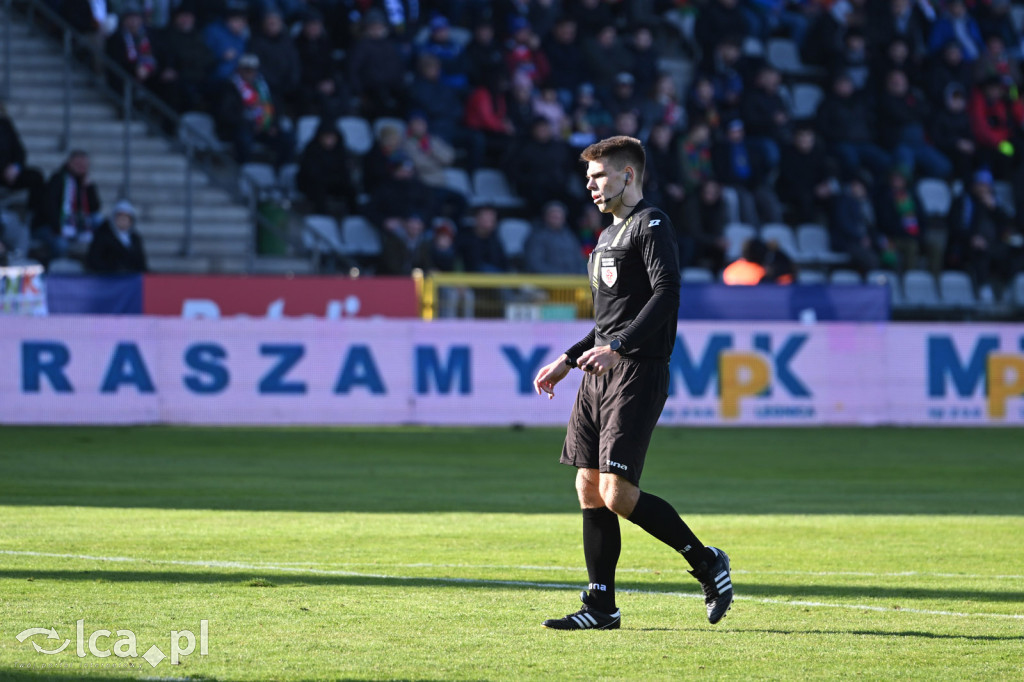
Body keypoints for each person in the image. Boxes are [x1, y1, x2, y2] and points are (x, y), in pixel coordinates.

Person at [532, 136, 733, 631]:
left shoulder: (652, 223)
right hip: (600, 370)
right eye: (587, 179)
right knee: (588, 487)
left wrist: (618, 347)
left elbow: (667, 294)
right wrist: (568, 357)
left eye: (599, 177)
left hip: (638, 371)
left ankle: (707, 563)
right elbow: (607, 320)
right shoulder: (605, 238)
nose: (591, 186)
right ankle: (601, 607)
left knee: (618, 493)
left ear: (628, 175)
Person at [85, 200, 148, 274]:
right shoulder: (103, 236)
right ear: (114, 218)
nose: (123, 220)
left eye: (126, 217)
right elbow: (94, 260)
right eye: (120, 217)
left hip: (131, 280)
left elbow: (141, 262)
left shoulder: (135, 238)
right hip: (109, 279)